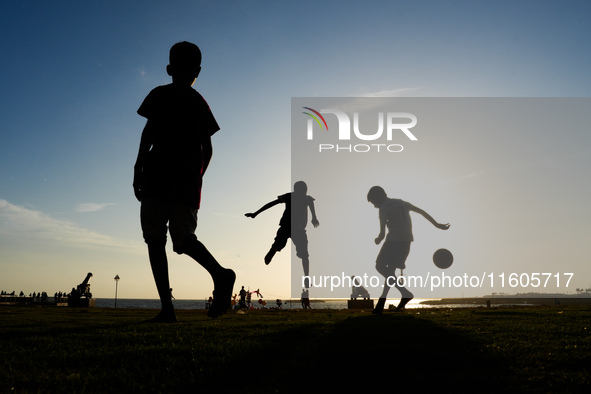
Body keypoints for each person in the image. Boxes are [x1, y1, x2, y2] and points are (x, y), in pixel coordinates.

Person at [133, 41, 235, 322]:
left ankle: (168, 309)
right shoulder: (199, 102)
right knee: (184, 240)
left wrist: (137, 169)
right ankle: (220, 274)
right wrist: (196, 177)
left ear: (169, 68)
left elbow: (148, 135)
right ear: (198, 72)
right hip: (186, 181)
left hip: (157, 176)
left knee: (155, 239)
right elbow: (209, 149)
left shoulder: (159, 95)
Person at [367, 186, 450, 314]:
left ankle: (401, 294)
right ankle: (386, 301)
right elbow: (421, 212)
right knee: (390, 272)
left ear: (378, 198)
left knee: (379, 266)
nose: (374, 206)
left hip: (393, 241)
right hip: (406, 242)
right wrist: (437, 225)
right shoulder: (401, 202)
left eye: (373, 203)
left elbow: (382, 234)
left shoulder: (384, 208)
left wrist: (378, 239)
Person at [245, 181, 319, 288]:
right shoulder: (294, 197)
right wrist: (255, 213)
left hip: (293, 229)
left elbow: (311, 206)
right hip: (290, 228)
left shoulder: (302, 198)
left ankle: (306, 278)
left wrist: (314, 217)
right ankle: (273, 249)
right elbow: (271, 204)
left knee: (303, 254)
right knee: (299, 253)